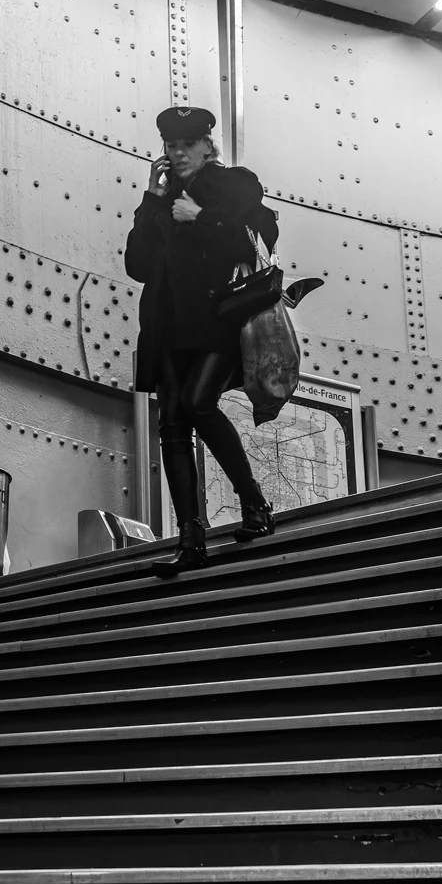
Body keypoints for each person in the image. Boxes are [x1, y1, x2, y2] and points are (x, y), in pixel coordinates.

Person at [124, 107, 321, 576]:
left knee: (198, 402)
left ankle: (254, 503)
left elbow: (261, 239)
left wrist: (201, 218)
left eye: (188, 144)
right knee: (172, 425)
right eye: (171, 145)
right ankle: (190, 540)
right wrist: (152, 200)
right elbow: (136, 265)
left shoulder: (235, 183)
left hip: (217, 320)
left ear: (207, 146)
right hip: (167, 326)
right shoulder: (160, 199)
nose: (178, 153)